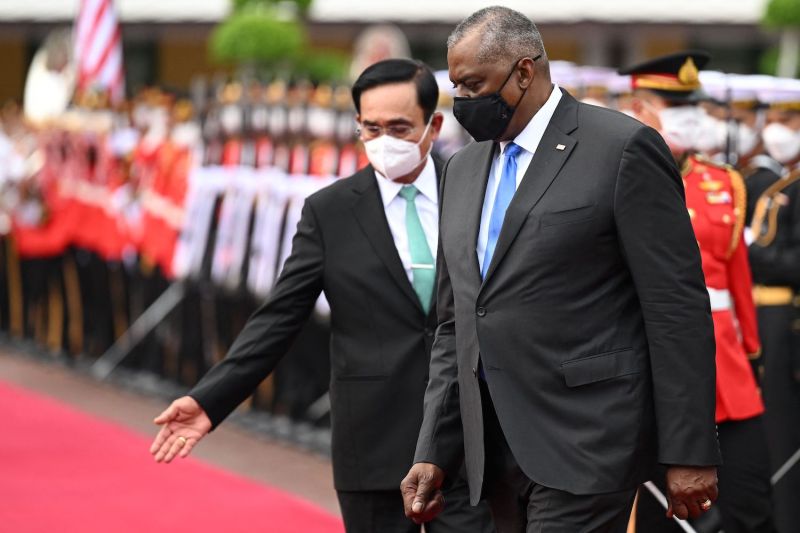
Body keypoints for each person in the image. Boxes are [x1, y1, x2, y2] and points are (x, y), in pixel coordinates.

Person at [400, 7, 720, 532]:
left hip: (588, 440)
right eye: (455, 87)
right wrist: (435, 447)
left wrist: (690, 449)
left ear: (524, 72)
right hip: (496, 449)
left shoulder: (620, 149)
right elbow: (457, 323)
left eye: (474, 84)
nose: (463, 102)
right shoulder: (462, 169)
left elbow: (675, 306)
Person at [148, 58, 494, 533]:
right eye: (371, 128)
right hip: (373, 442)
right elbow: (279, 318)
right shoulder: (329, 213)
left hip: (467, 440)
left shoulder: (476, 192)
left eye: (399, 127)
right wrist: (210, 401)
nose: (385, 141)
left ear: (433, 125)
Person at [624, 52, 777, 533]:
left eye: (691, 104)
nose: (688, 115)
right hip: (648, 369)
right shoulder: (614, 174)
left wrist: (752, 355)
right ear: (638, 106)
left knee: (751, 501)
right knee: (657, 517)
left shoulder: (724, 183)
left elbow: (737, 283)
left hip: (726, 372)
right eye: (672, 104)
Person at [748, 77, 800, 533]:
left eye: (789, 119)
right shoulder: (786, 182)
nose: (778, 129)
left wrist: (751, 252)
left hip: (788, 318)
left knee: (784, 432)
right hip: (768, 317)